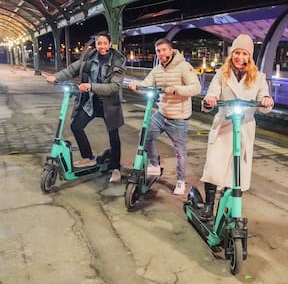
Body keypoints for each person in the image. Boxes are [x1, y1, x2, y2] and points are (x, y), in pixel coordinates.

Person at [199, 34, 274, 220]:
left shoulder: (259, 77)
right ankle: (209, 205)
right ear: (232, 54)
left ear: (250, 57)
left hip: (244, 127)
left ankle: (226, 207)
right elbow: (212, 94)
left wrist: (266, 100)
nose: (240, 57)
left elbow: (265, 99)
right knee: (214, 167)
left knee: (235, 171)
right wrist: (210, 100)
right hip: (224, 124)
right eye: (237, 53)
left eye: (244, 54)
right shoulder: (221, 74)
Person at [46, 32, 126, 183]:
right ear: (95, 44)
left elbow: (114, 87)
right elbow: (71, 69)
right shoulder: (89, 57)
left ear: (109, 44)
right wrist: (56, 77)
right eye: (98, 43)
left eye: (104, 43)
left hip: (109, 105)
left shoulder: (118, 61)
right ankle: (88, 157)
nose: (101, 46)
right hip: (91, 102)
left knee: (113, 135)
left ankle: (115, 168)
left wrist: (90, 86)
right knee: (76, 126)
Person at [128, 38, 201, 195]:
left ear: (171, 50)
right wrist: (136, 86)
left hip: (179, 118)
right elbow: (146, 84)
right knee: (144, 135)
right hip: (161, 114)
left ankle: (181, 181)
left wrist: (176, 89)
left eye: (164, 50)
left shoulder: (184, 67)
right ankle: (154, 164)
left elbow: (196, 88)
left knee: (180, 151)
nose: (161, 54)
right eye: (158, 51)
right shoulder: (157, 69)